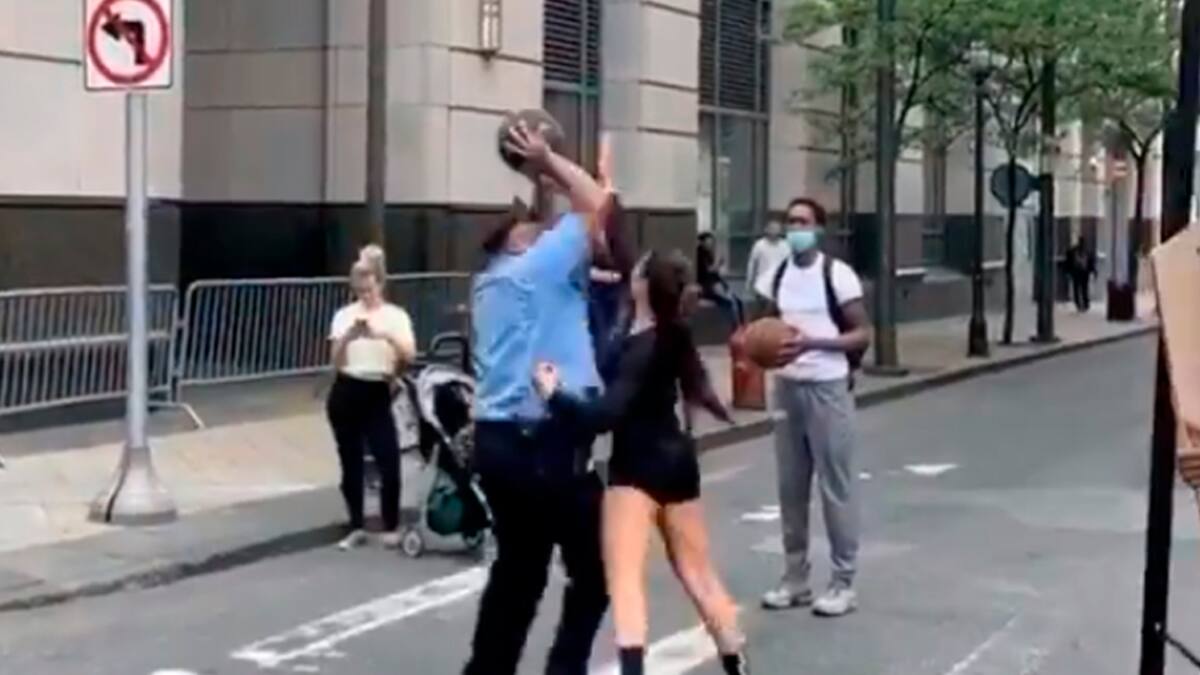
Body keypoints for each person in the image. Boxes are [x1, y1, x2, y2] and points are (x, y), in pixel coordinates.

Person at [534, 250, 749, 675]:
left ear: (644, 285)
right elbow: (698, 388)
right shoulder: (673, 333)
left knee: (626, 580)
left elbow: (605, 415)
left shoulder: (642, 345)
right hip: (679, 463)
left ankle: (633, 669)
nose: (629, 273)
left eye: (637, 271)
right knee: (698, 574)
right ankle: (734, 660)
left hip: (637, 467)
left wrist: (553, 393)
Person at [463, 118, 613, 675]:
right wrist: (546, 157)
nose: (547, 230)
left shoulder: (490, 282)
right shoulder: (543, 264)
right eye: (536, 228)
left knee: (518, 572)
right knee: (595, 572)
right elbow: (596, 202)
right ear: (519, 240)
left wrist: (539, 177)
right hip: (545, 442)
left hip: (498, 440)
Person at [757, 197, 871, 617]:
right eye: (790, 221)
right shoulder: (778, 273)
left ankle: (843, 581)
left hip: (827, 387)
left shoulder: (836, 275)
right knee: (790, 487)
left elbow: (861, 334)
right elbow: (765, 326)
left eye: (803, 222)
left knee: (834, 485)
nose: (794, 228)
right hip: (788, 388)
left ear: (819, 229)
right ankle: (795, 578)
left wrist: (813, 343)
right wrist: (755, 346)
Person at [326, 245, 417, 551]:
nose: (364, 296)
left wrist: (385, 337)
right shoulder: (344, 316)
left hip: (377, 389)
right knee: (350, 461)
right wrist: (350, 337)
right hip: (347, 387)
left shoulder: (395, 316)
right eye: (359, 290)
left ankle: (390, 522)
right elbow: (336, 361)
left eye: (369, 289)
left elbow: (409, 354)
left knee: (387, 457)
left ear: (380, 284)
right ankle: (356, 524)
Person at [696, 232, 745, 330]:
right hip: (707, 285)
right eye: (708, 242)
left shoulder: (709, 253)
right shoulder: (700, 254)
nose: (710, 244)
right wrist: (718, 263)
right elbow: (708, 270)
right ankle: (735, 326)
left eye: (711, 242)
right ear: (702, 242)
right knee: (729, 303)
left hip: (716, 283)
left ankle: (741, 325)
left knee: (738, 301)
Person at [745, 219, 790, 307]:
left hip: (780, 284)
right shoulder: (759, 245)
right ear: (767, 230)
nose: (774, 232)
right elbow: (752, 264)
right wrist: (749, 282)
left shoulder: (785, 245)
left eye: (777, 229)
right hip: (762, 285)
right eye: (772, 229)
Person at [1066, 236, 1097, 312]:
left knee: (1083, 289)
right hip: (1077, 272)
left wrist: (1094, 271)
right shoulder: (1073, 251)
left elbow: (1091, 263)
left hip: (1084, 272)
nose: (1082, 244)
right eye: (1081, 242)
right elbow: (1069, 262)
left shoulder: (1086, 251)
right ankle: (1079, 304)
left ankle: (1084, 304)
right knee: (1079, 288)